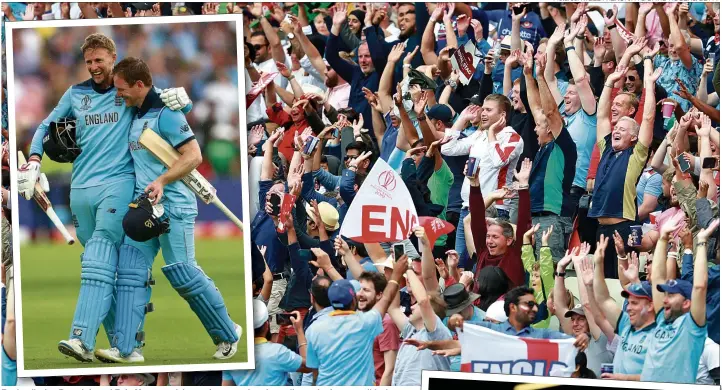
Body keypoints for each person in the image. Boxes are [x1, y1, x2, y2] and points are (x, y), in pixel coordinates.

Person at [17, 33, 191, 362]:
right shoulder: (75, 93)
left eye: (100, 60)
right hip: (80, 189)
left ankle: (80, 338)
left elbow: (166, 105)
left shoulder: (127, 92)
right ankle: (125, 346)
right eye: (89, 62)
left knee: (97, 259)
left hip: (118, 183)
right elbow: (44, 125)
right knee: (99, 267)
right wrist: (35, 159)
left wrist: (185, 102)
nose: (95, 67)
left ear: (113, 58)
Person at [94, 57, 240, 363]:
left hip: (174, 205)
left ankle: (228, 333)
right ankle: (126, 349)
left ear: (138, 85)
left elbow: (193, 156)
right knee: (131, 273)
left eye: (122, 89)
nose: (117, 94)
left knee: (182, 274)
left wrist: (162, 179)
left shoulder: (167, 114)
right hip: (144, 208)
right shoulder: (134, 113)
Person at [304, 255, 408, 385]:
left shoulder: (313, 329)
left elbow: (314, 372)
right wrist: (396, 275)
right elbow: (386, 299)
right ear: (354, 300)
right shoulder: (364, 323)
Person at [640, 213, 719, 383]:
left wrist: (701, 242)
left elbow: (699, 286)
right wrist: (662, 239)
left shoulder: (694, 332)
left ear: (687, 303)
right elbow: (657, 280)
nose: (665, 300)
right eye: (665, 294)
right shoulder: (662, 320)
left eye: (671, 295)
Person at [221, 300, 311, 385]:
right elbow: (309, 366)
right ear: (266, 325)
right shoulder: (278, 352)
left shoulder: (234, 359)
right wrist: (299, 331)